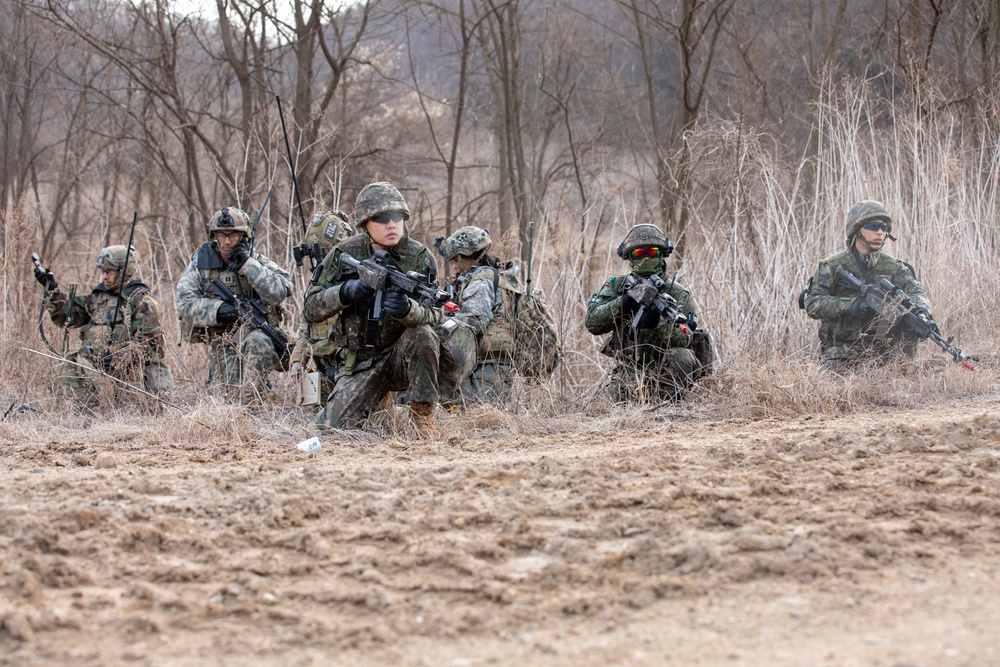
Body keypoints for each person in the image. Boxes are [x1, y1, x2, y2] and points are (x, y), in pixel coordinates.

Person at [302, 182, 475, 436]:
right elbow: (310, 308)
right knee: (330, 430)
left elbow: (435, 312)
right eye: (381, 218)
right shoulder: (344, 252)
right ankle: (378, 398)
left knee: (424, 333)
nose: (391, 224)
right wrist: (345, 292)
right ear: (365, 224)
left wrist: (409, 311)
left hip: (401, 357)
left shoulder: (419, 256)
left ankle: (422, 414)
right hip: (360, 362)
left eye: (397, 217)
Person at [175, 206, 293, 398]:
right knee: (224, 396)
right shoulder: (202, 264)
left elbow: (281, 290)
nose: (227, 241)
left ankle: (254, 400)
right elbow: (185, 302)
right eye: (222, 235)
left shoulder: (255, 260)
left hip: (256, 333)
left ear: (244, 237)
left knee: (258, 342)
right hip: (224, 340)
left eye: (233, 235)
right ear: (215, 236)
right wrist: (220, 310)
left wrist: (249, 266)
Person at [34, 245, 173, 404]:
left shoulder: (142, 303)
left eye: (109, 272)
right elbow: (68, 317)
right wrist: (52, 290)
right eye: (103, 272)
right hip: (95, 373)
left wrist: (118, 358)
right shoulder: (98, 299)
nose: (104, 277)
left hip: (129, 379)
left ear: (123, 272)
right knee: (70, 366)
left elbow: (152, 347)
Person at [585, 224, 708, 403]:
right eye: (638, 253)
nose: (645, 257)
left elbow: (686, 338)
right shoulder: (616, 286)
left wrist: (659, 324)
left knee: (682, 356)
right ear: (629, 257)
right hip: (630, 370)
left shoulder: (677, 293)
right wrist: (622, 304)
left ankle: (669, 408)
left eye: (651, 252)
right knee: (619, 401)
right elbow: (592, 323)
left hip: (665, 369)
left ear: (661, 254)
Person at [803, 200, 932, 370]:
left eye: (884, 228)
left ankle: (903, 368)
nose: (880, 232)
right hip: (841, 352)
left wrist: (922, 312)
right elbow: (812, 304)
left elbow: (916, 292)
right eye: (873, 226)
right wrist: (852, 306)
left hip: (886, 353)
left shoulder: (895, 267)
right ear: (856, 229)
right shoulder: (832, 266)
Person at [439, 225, 520, 405]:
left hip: (487, 365)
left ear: (462, 257)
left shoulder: (481, 280)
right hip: (493, 362)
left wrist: (442, 325)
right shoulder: (496, 273)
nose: (454, 266)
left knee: (474, 415)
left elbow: (474, 319)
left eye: (455, 261)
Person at [288, 209, 352, 406]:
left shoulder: (355, 284)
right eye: (319, 256)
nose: (322, 261)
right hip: (323, 367)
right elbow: (306, 327)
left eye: (326, 255)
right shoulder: (317, 283)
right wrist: (298, 360)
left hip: (351, 369)